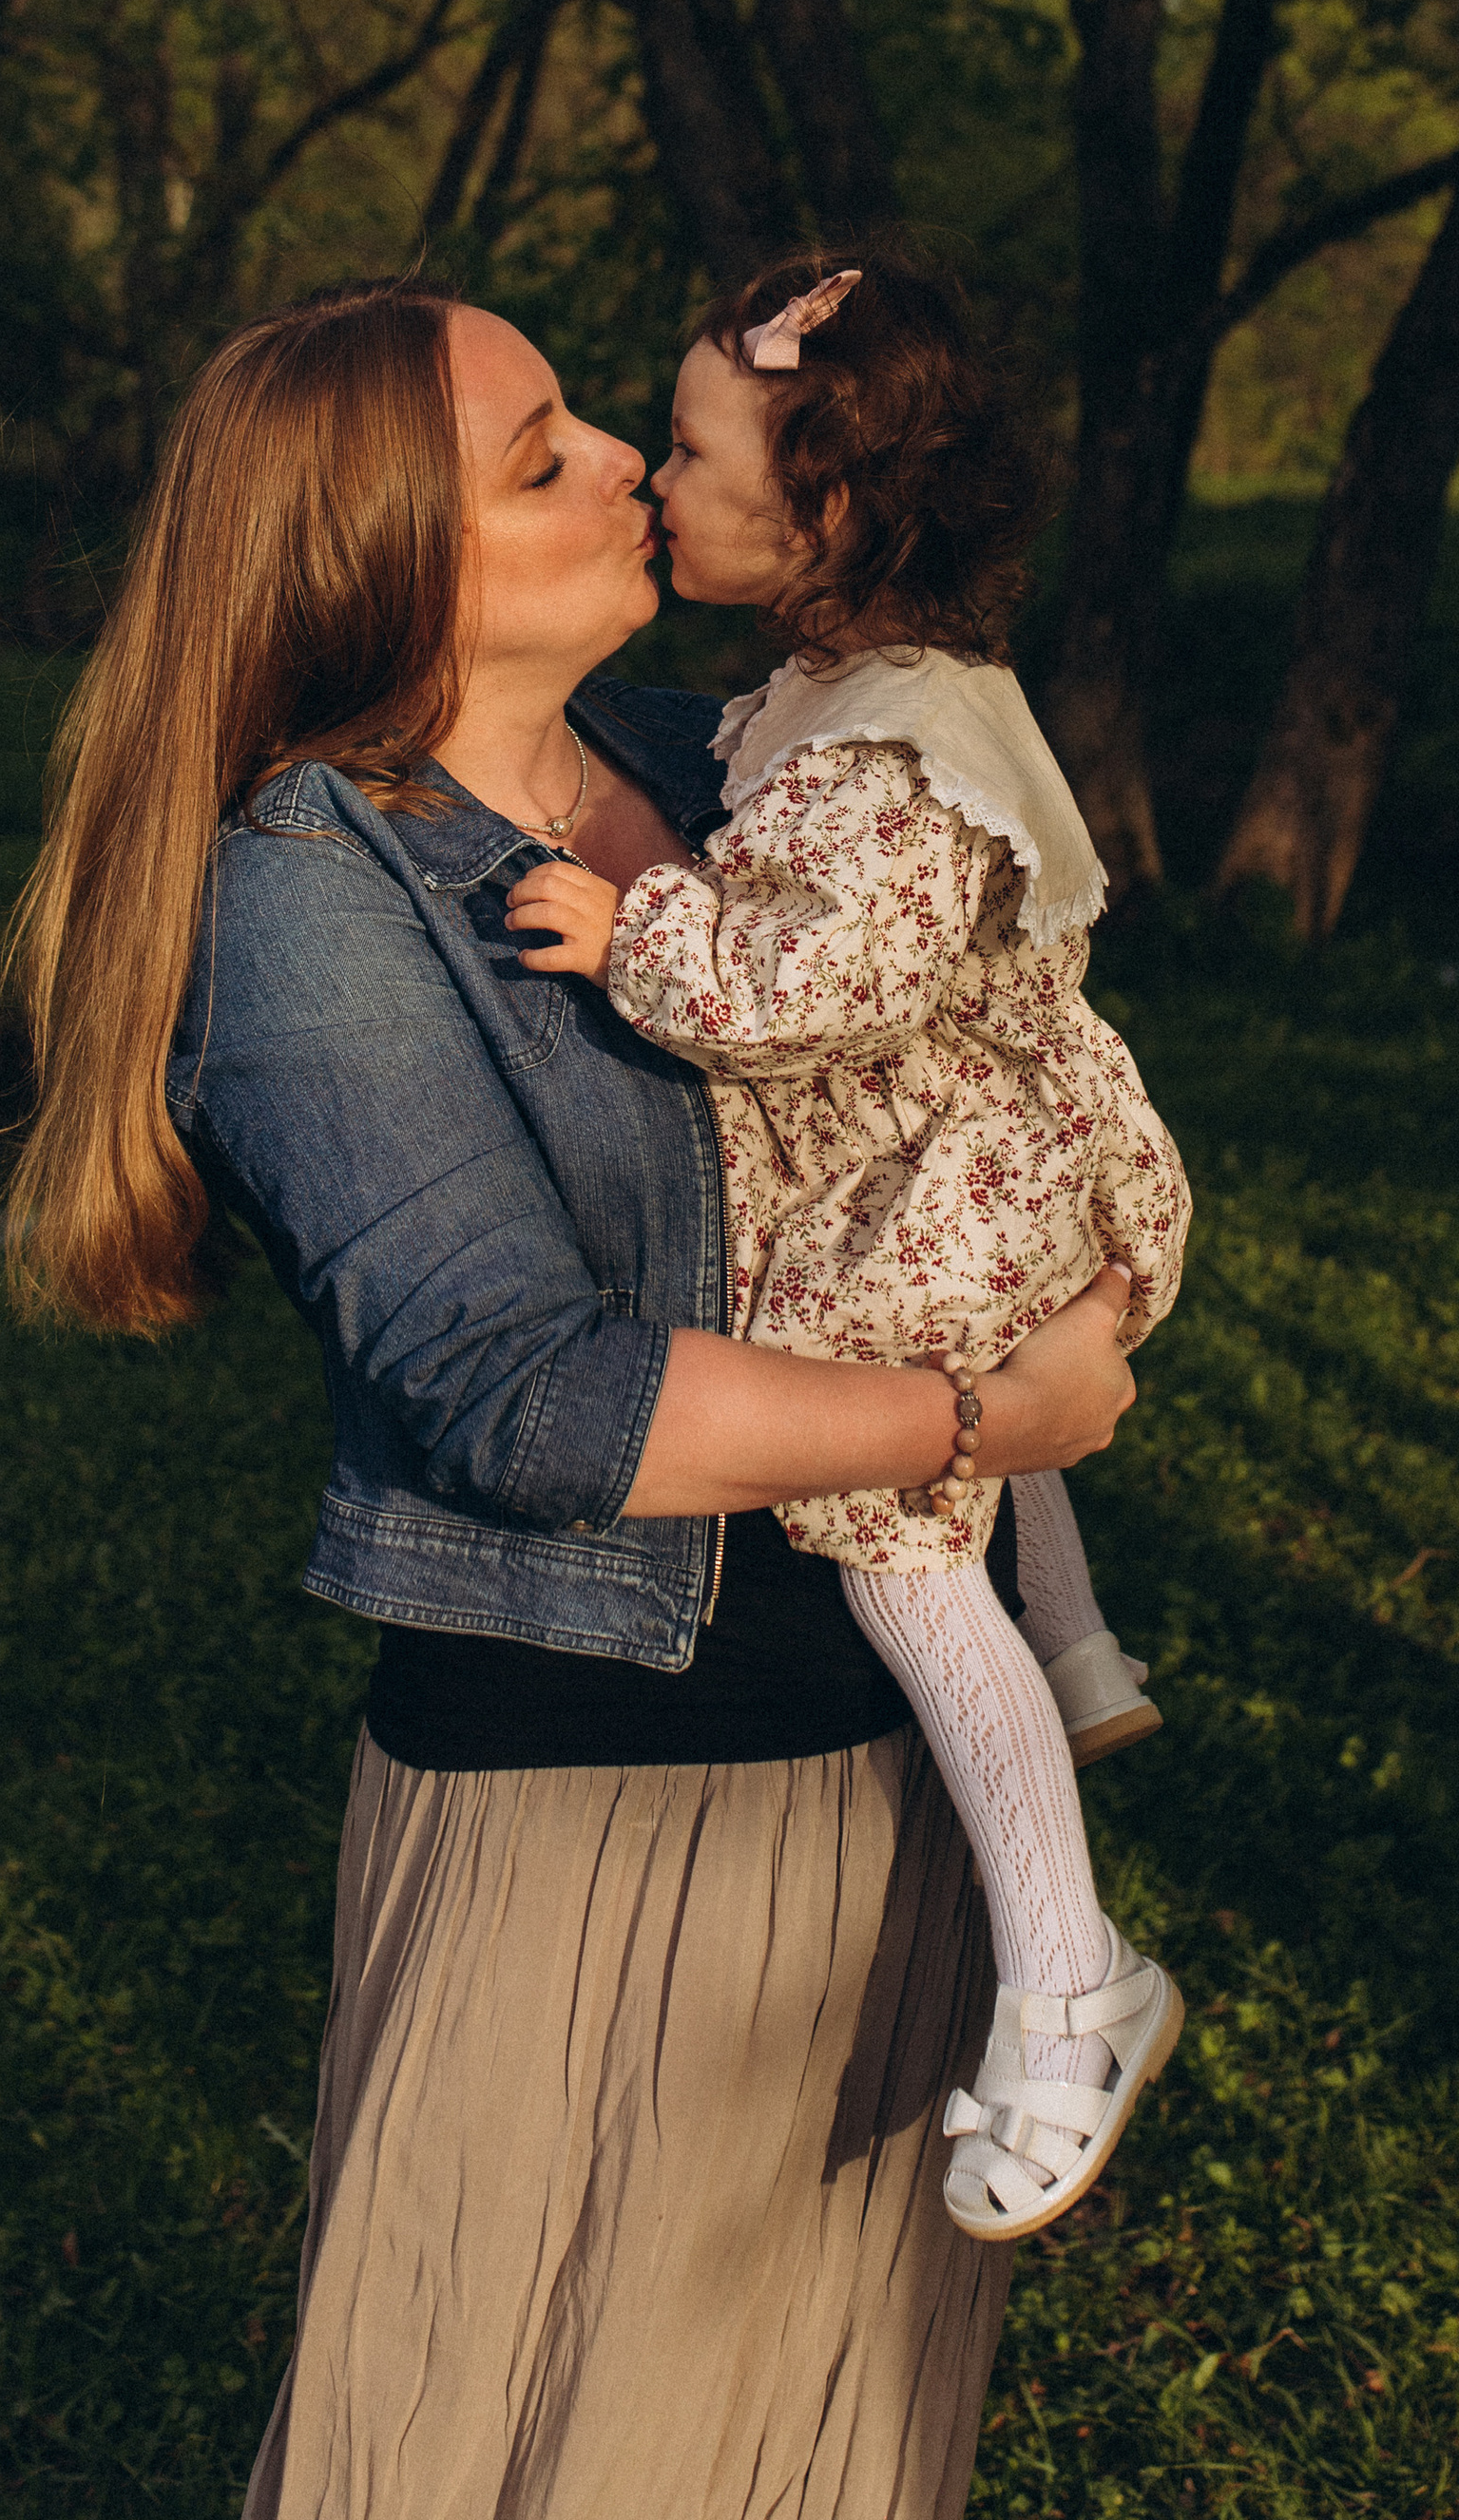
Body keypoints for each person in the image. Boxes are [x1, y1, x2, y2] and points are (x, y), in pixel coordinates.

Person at [4, 276, 1142, 2520]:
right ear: (377, 568)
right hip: (601, 1805)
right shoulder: (308, 891)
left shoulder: (715, 752)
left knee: (824, 2454)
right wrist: (980, 1423)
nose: (625, 457)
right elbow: (523, 1397)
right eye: (542, 459)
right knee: (513, 2447)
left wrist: (864, 362)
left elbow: (929, 997)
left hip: (881, 1764)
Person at [507, 248, 1191, 2241]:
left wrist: (629, 931)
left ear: (819, 510)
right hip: (980, 1160)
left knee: (895, 1540)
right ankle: (1074, 1641)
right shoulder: (864, 690)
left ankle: (1072, 1978)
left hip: (963, 1182)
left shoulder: (885, 757)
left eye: (690, 450)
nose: (653, 478)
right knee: (969, 1395)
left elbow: (806, 987)